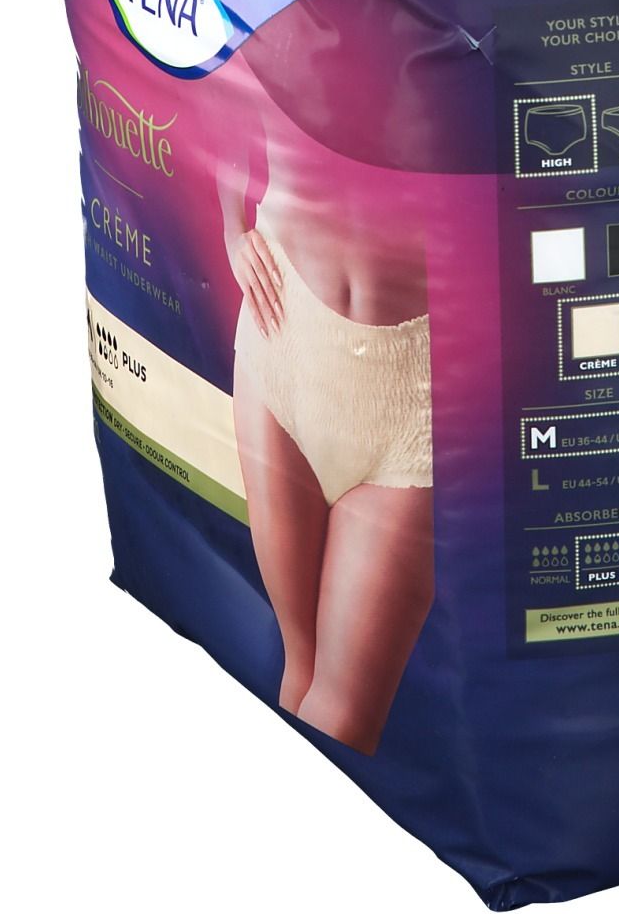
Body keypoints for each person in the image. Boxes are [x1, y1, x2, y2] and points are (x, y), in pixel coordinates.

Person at [219, 90, 435, 757]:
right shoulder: (276, 22)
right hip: (284, 330)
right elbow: (224, 106)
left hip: (412, 391)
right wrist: (232, 230)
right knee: (301, 666)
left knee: (341, 714)